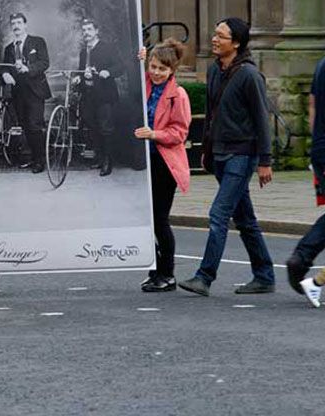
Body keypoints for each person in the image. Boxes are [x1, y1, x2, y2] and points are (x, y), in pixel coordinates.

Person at [178, 18, 275, 296]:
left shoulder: (249, 75)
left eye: (221, 36)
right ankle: (265, 275)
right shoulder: (214, 71)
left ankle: (204, 277)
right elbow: (211, 116)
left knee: (218, 214)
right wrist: (206, 151)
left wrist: (265, 161)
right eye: (215, 34)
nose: (214, 39)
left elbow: (261, 120)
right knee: (245, 219)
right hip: (219, 154)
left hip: (241, 155)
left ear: (236, 43)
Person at [135, 39, 191, 292]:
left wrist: (153, 134)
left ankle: (167, 274)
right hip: (145, 160)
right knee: (146, 221)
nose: (156, 73)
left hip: (164, 164)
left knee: (159, 220)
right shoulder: (145, 84)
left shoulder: (178, 95)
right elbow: (131, 77)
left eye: (162, 69)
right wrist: (139, 58)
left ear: (172, 71)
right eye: (153, 67)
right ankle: (155, 270)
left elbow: (179, 133)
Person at [286, 55, 325, 296]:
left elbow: (313, 105)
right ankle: (306, 264)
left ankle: (304, 263)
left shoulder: (321, 64)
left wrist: (317, 144)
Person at [2, 12, 51, 174]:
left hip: (36, 91)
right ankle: (34, 156)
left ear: (25, 25)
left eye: (19, 23)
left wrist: (28, 68)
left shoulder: (37, 42)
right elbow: (5, 67)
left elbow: (44, 62)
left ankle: (40, 161)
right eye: (13, 23)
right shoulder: (9, 49)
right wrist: (5, 74)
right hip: (18, 93)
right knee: (25, 126)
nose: (16, 26)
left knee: (35, 125)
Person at [77, 19, 123, 176]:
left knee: (106, 129)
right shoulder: (84, 52)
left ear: (96, 31)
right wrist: (78, 78)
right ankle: (99, 158)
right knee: (93, 128)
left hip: (104, 96)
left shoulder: (108, 48)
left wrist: (108, 72)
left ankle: (108, 162)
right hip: (88, 95)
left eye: (89, 29)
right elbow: (81, 71)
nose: (86, 33)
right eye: (84, 30)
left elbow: (120, 67)